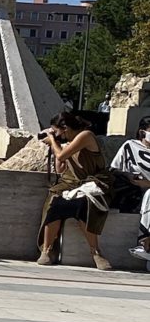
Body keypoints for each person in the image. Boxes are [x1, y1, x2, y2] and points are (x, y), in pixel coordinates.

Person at [38, 110, 114, 270]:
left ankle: (96, 252)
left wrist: (52, 140)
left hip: (93, 183)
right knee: (55, 203)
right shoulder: (68, 142)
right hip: (71, 183)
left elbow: (61, 156)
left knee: (83, 205)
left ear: (65, 128)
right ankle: (47, 249)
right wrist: (56, 144)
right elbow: (60, 168)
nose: (56, 134)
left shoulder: (85, 135)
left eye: (56, 131)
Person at [111, 115, 150, 264]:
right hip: (134, 191)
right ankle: (145, 244)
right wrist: (130, 176)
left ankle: (145, 244)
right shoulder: (130, 146)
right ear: (142, 132)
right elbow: (114, 170)